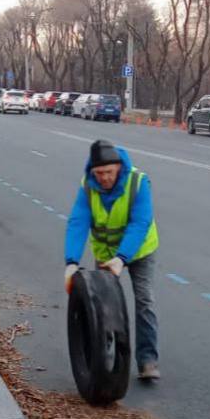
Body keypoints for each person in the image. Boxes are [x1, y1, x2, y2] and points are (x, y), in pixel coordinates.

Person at [63, 139, 160, 381]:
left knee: (144, 301)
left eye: (108, 172)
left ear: (118, 167)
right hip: (106, 254)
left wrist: (122, 258)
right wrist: (71, 262)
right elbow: (78, 221)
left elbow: (140, 222)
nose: (104, 178)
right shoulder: (88, 186)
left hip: (139, 251)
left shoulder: (138, 182)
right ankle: (102, 358)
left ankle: (147, 360)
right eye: (99, 173)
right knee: (101, 306)